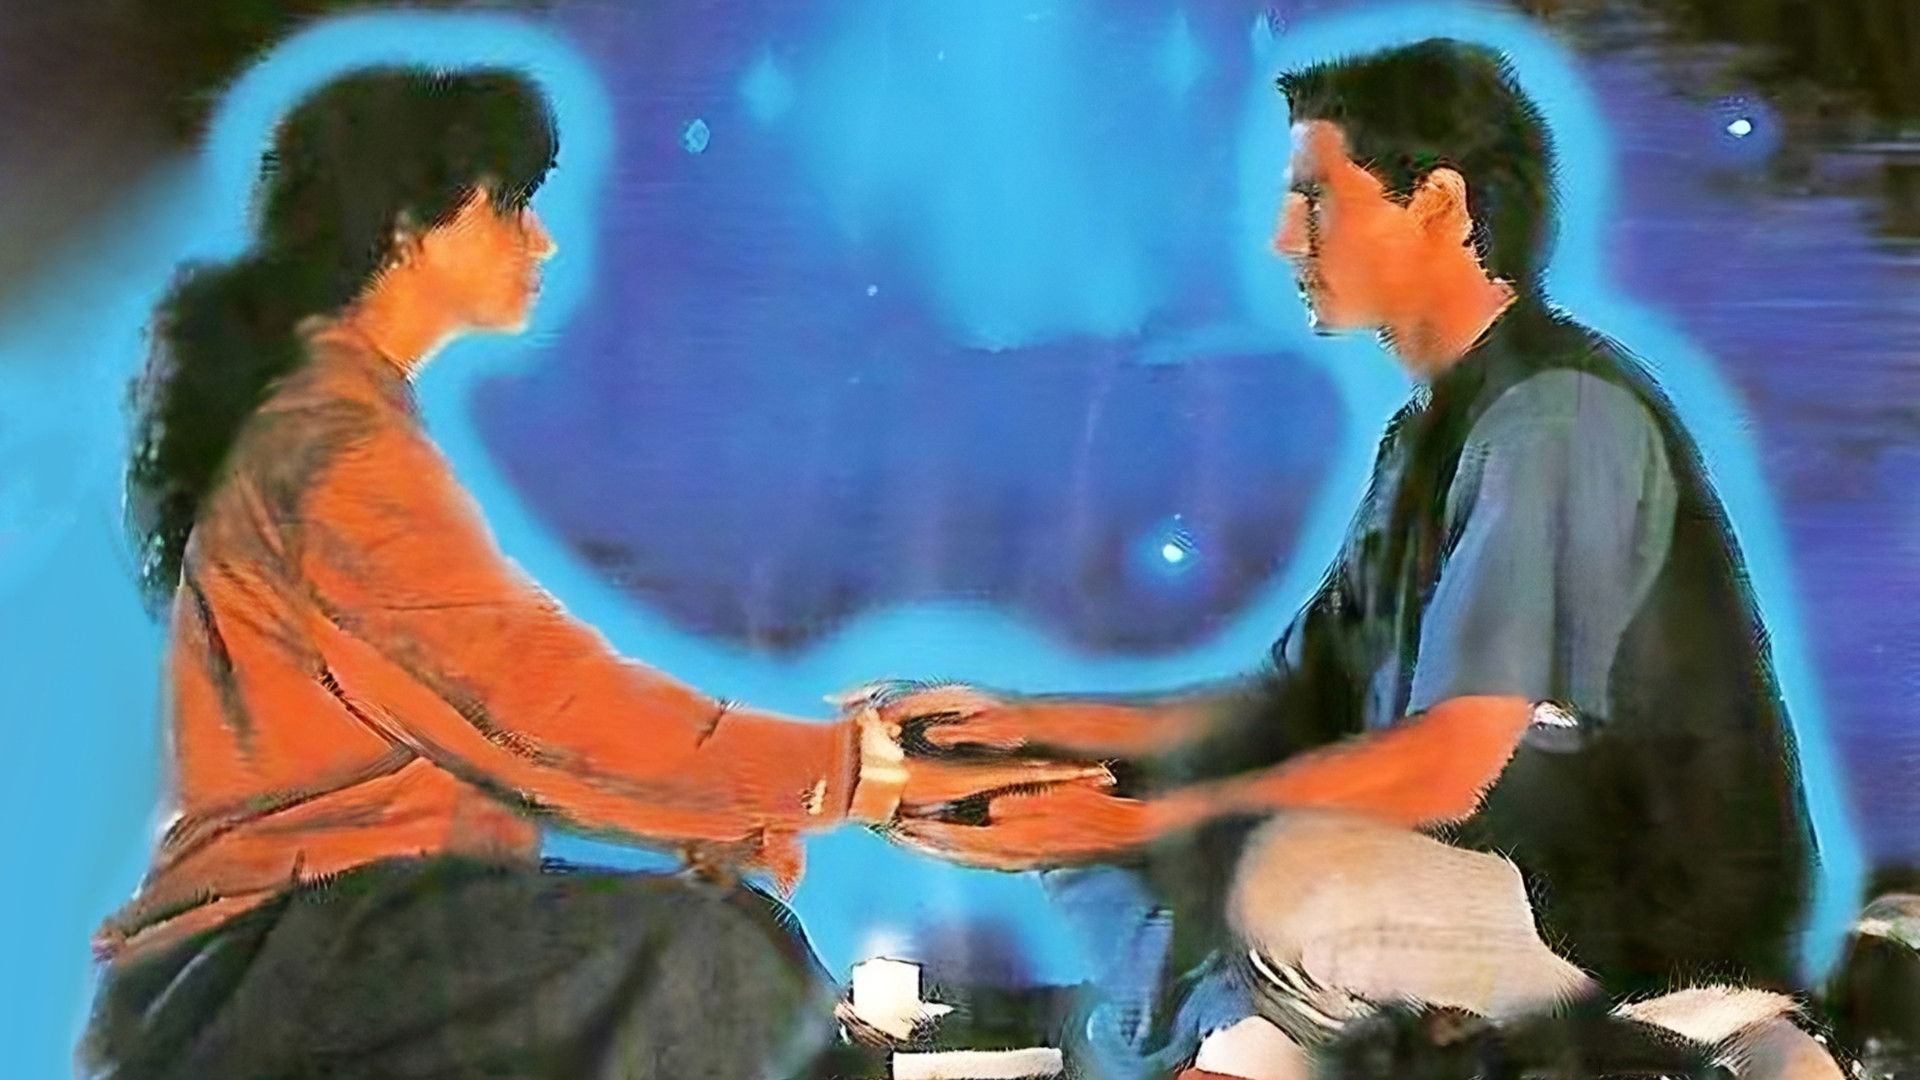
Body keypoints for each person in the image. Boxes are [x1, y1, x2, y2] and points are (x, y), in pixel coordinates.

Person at [84, 67, 1091, 1080]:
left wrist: (742, 805)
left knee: (733, 937)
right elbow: (537, 708)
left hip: (330, 943)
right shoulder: (337, 452)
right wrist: (840, 773)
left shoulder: (336, 422)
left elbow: (512, 737)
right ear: (407, 229)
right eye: (510, 206)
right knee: (697, 963)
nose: (541, 241)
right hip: (269, 966)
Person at [869, 39, 1839, 1079]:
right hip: (1460, 880)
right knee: (1058, 795)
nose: (1284, 237)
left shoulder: (1559, 419)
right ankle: (1234, 1035)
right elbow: (1286, 705)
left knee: (1274, 879)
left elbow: (1449, 766)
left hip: (1625, 925)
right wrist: (1028, 725)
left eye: (1316, 198)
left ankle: (1704, 1035)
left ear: (1440, 204)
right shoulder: (1421, 437)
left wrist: (1145, 819)